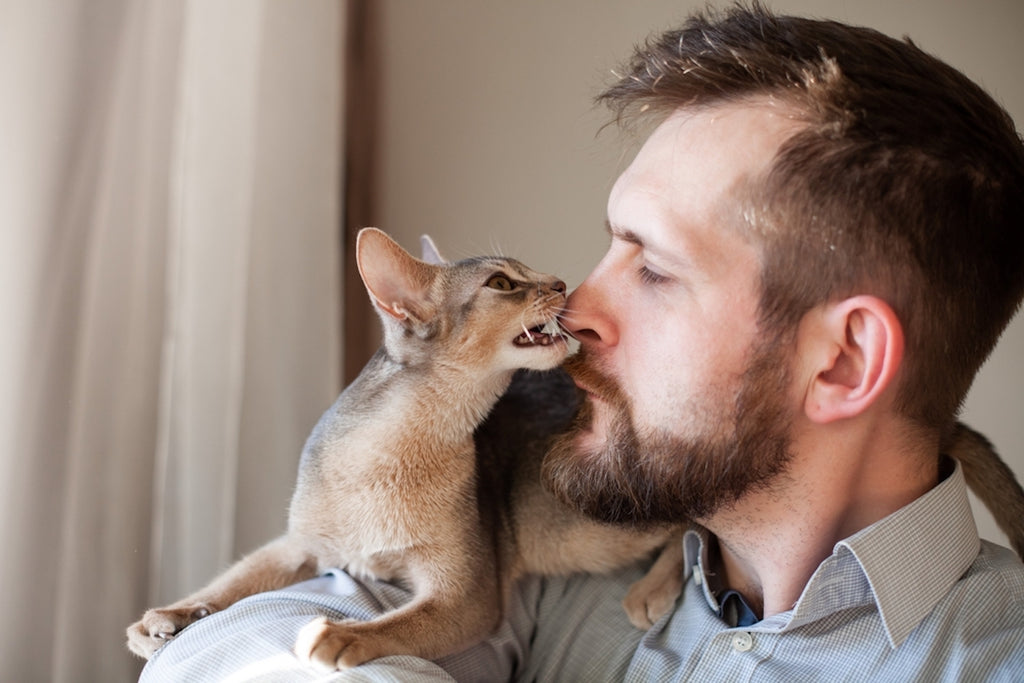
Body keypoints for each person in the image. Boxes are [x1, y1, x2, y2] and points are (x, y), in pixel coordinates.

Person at [138, 4, 1024, 681]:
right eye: (610, 243)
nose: (581, 304)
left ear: (843, 361)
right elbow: (244, 642)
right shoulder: (562, 558)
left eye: (657, 269)